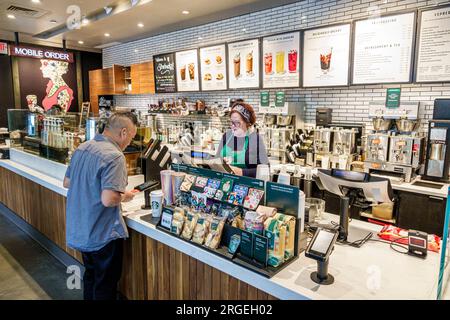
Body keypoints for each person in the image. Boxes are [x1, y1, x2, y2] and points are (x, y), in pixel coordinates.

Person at [63, 112, 138, 300]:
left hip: (82, 229)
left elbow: (67, 182)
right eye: (131, 136)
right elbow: (109, 199)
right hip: (102, 233)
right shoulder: (114, 156)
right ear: (123, 132)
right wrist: (125, 196)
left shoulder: (83, 147)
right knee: (105, 286)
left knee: (91, 278)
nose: (130, 141)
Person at [215, 102, 269, 178]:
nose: (233, 126)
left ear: (247, 122)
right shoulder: (226, 136)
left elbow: (266, 170)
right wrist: (222, 163)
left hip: (244, 186)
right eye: (231, 122)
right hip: (223, 183)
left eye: (237, 123)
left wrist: (242, 172)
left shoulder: (255, 139)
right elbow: (216, 159)